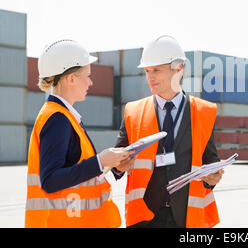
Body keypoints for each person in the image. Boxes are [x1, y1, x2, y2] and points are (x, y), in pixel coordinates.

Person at [112, 35, 224, 228]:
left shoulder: (204, 112)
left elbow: (210, 161)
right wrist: (118, 166)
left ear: (178, 68)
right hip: (144, 217)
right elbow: (117, 161)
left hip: (185, 218)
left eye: (156, 70)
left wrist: (212, 179)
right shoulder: (133, 111)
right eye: (147, 70)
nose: (150, 77)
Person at [25, 39, 133, 228]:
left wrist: (110, 164)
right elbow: (50, 180)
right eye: (88, 76)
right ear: (71, 79)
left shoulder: (64, 116)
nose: (91, 82)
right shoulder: (57, 119)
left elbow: (75, 171)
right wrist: (100, 161)